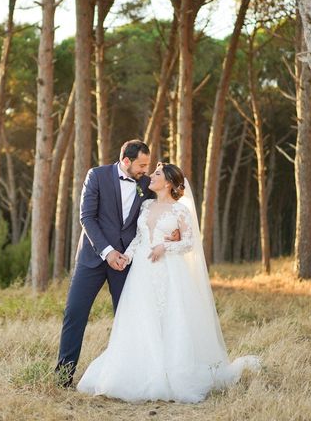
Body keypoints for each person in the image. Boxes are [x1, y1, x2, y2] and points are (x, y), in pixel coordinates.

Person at [77, 162, 261, 403]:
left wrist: (166, 246)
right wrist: (127, 256)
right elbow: (138, 238)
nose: (150, 176)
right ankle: (140, 369)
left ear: (169, 183)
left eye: (156, 174)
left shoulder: (180, 211)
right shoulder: (145, 205)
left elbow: (189, 243)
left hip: (168, 271)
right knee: (142, 318)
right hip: (141, 271)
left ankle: (170, 371)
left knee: (169, 317)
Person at [55, 140, 180, 387]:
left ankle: (133, 378)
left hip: (126, 262)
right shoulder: (97, 176)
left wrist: (176, 230)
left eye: (148, 165)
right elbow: (87, 217)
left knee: (130, 318)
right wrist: (108, 251)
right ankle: (63, 377)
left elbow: (168, 200)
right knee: (75, 313)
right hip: (93, 257)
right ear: (126, 161)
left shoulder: (146, 182)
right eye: (142, 164)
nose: (146, 169)